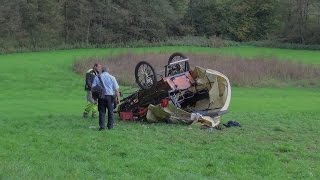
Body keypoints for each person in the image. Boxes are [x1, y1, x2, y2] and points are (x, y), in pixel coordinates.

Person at [92, 66, 120, 130]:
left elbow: (93, 87)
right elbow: (116, 89)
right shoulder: (112, 77)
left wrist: (95, 97)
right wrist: (118, 98)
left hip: (101, 96)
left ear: (102, 71)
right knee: (110, 112)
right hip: (110, 97)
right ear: (108, 71)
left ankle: (102, 126)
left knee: (102, 112)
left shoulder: (97, 77)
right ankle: (110, 126)